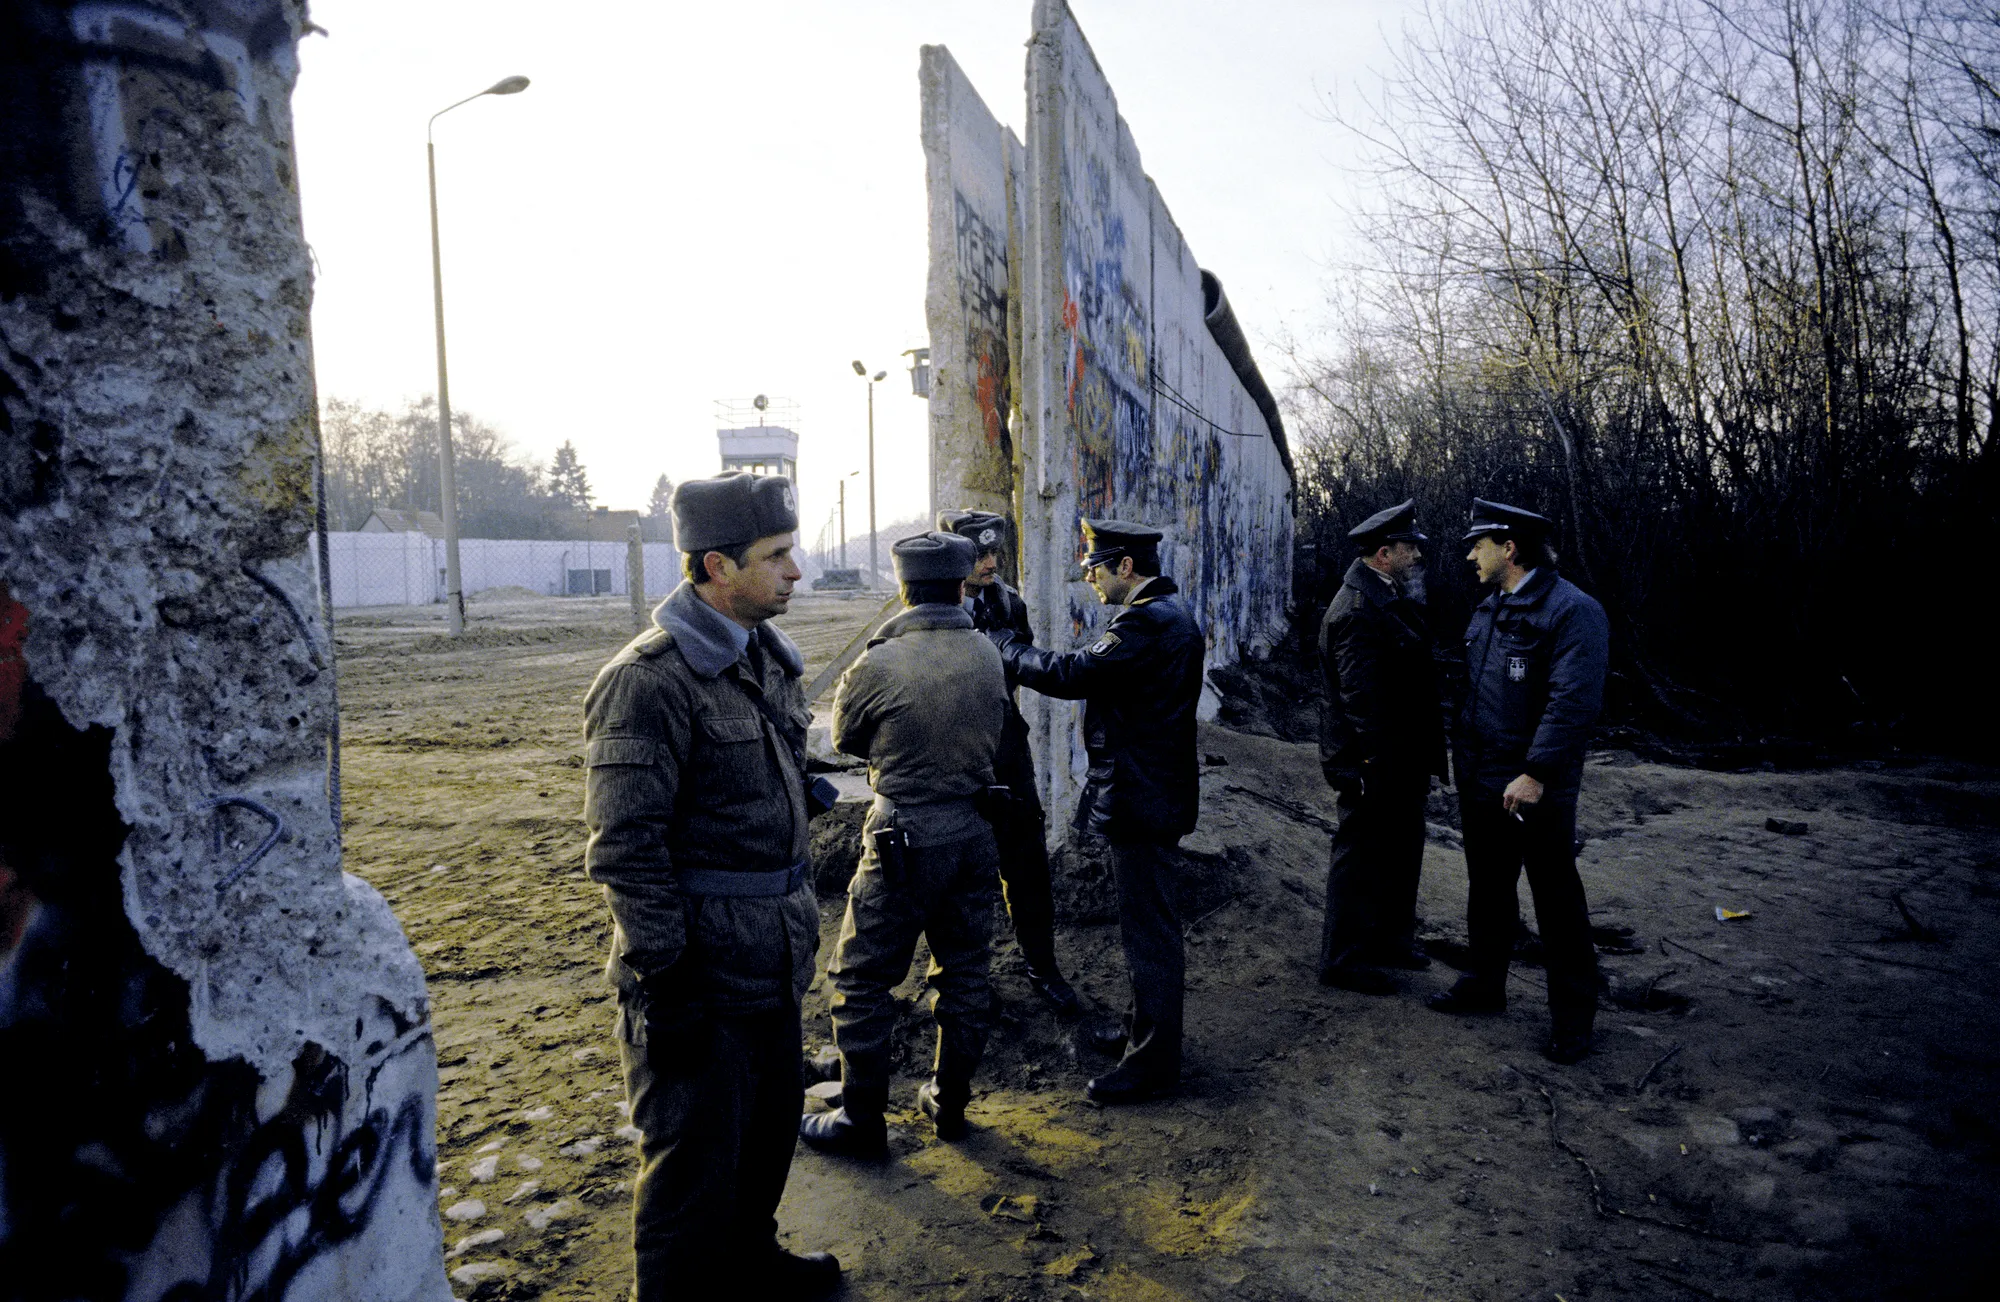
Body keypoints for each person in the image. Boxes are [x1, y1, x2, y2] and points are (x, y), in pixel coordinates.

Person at [582, 471, 839, 1300]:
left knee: (764, 1140)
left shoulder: (767, 657)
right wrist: (669, 979)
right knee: (691, 1168)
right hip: (700, 969)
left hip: (771, 955)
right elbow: (627, 847)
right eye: (778, 555)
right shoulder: (648, 681)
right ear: (716, 568)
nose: (796, 571)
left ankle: (750, 1266)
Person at [801, 531, 1010, 1154]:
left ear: (903, 587)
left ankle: (861, 1120)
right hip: (976, 832)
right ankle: (950, 1105)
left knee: (863, 979)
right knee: (967, 973)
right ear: (959, 583)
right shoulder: (987, 652)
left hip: (904, 835)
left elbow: (843, 740)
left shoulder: (880, 662)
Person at [989, 518, 1205, 1104]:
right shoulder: (1169, 616)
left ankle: (1153, 1066)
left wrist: (1007, 647)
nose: (1091, 581)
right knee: (1147, 927)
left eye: (1095, 570)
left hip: (1142, 798)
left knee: (1149, 934)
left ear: (1126, 568)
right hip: (1152, 790)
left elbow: (1072, 674)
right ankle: (1144, 1037)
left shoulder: (1146, 622)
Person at [1428, 498, 1609, 1065]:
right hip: (1482, 777)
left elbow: (1573, 702)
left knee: (1555, 897)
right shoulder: (1489, 609)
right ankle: (1486, 984)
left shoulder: (1572, 611)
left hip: (1534, 785)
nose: (1469, 557)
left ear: (1510, 548)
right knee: (1488, 886)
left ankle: (1574, 1021)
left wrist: (1536, 773)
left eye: (1478, 546)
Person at [938, 507, 1083, 1016]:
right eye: (978, 554)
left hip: (1004, 745)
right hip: (952, 751)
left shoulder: (1008, 602)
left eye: (995, 552)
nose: (989, 562)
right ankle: (959, 980)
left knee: (1026, 856)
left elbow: (1017, 672)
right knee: (951, 863)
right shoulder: (931, 604)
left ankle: (1041, 966)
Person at [1317, 499, 1448, 995]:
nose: (1417, 555)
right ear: (1383, 552)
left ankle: (1390, 940)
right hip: (1373, 761)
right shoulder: (1357, 609)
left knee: (1401, 846)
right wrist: (1375, 764)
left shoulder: (1384, 595)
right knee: (1360, 854)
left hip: (1398, 758)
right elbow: (1361, 699)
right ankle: (1343, 960)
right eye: (1409, 547)